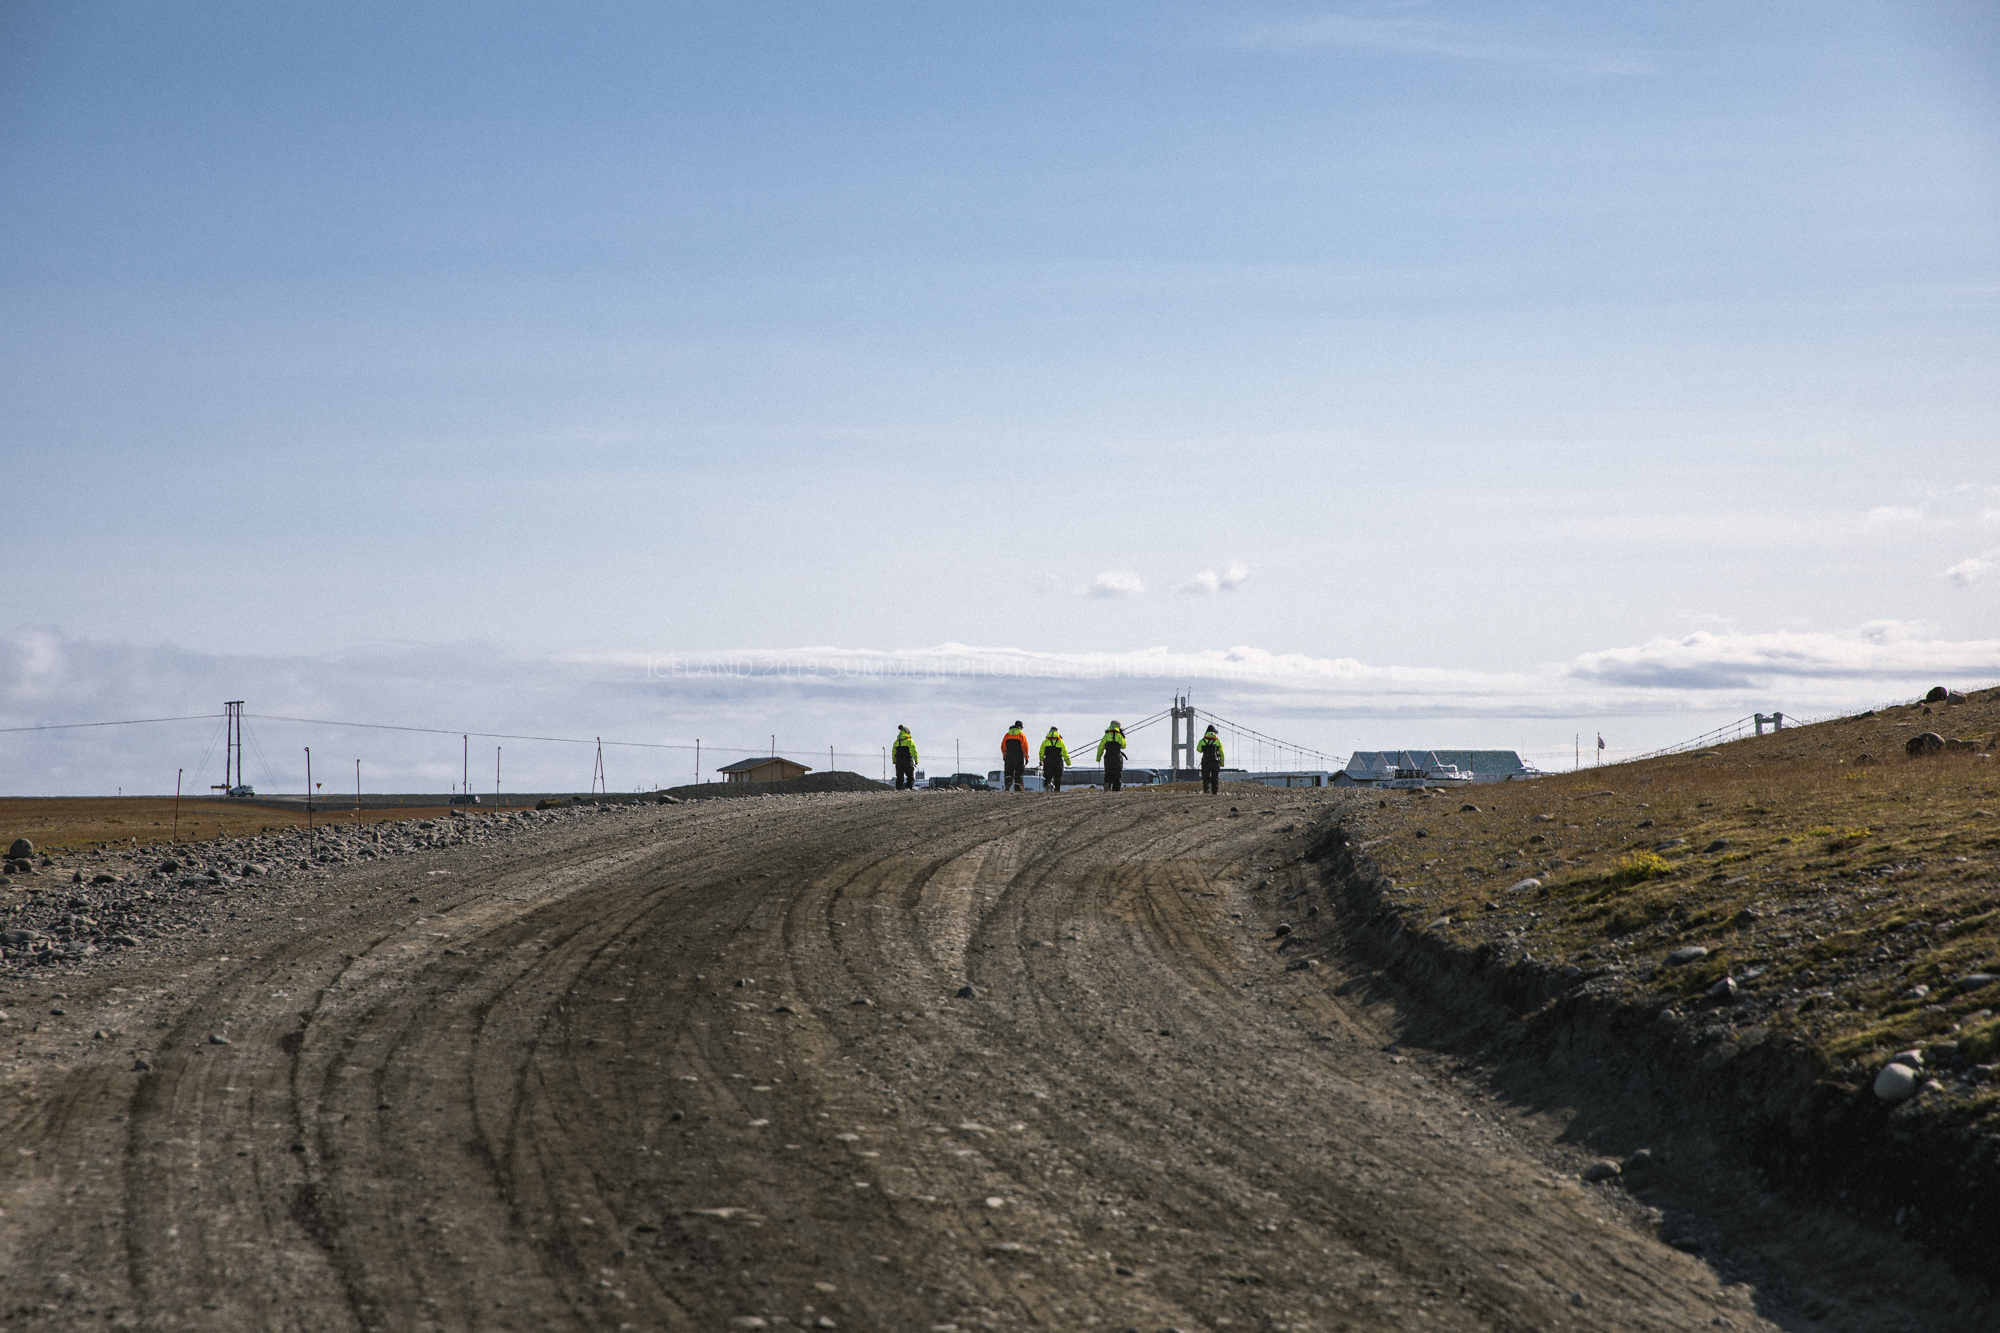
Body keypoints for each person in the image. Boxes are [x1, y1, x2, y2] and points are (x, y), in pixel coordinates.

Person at [1096, 719, 1128, 792]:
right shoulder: (1120, 736)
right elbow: (1123, 746)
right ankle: (1116, 789)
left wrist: (1098, 758)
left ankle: (1107, 783)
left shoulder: (1106, 736)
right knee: (1117, 773)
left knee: (1108, 772)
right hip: (1117, 757)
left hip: (1108, 757)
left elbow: (1100, 747)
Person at [1001, 721, 1031, 791]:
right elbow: (1025, 747)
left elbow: (1003, 746)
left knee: (1008, 772)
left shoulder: (1007, 735)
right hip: (1019, 756)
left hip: (1009, 756)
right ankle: (1017, 788)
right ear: (1020, 727)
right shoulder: (1021, 735)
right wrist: (1026, 758)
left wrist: (1005, 756)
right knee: (1018, 772)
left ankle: (1008, 783)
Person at [1040, 726, 1072, 793]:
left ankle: (1047, 783)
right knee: (1057, 777)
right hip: (1057, 761)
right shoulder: (1060, 742)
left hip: (1048, 760)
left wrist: (1042, 759)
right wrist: (1068, 763)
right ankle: (1057, 789)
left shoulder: (1045, 741)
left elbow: (1041, 752)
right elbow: (1064, 753)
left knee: (1048, 775)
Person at [1198, 724, 1225, 794]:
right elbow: (1222, 753)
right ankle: (1214, 792)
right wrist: (1221, 763)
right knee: (1214, 778)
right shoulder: (1218, 741)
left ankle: (1206, 791)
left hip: (1205, 762)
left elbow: (1199, 750)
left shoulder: (1202, 741)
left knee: (1206, 778)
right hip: (1215, 762)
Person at [891, 726, 919, 790]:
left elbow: (893, 753)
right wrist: (916, 760)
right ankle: (909, 788)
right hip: (907, 760)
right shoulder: (910, 741)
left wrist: (894, 761)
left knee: (899, 776)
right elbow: (913, 751)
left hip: (899, 761)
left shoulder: (896, 742)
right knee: (910, 775)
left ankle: (898, 789)